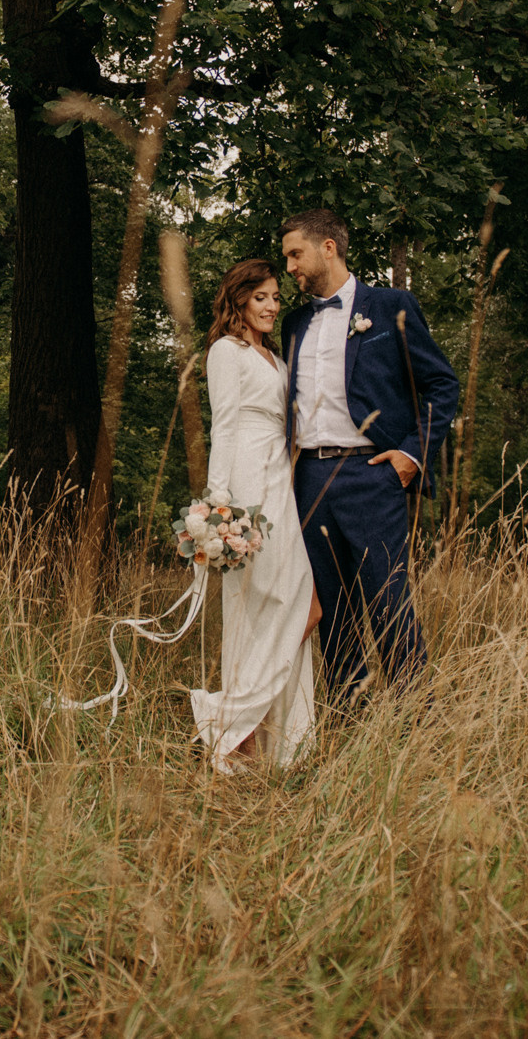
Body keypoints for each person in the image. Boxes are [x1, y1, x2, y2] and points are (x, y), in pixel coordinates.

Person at [278, 209, 460, 695]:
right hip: (310, 479)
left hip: (372, 473)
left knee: (387, 597)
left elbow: (441, 384)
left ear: (328, 248)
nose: (291, 266)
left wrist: (411, 455)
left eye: (296, 254)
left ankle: (414, 715)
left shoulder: (390, 305)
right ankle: (345, 714)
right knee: (330, 604)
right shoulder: (294, 323)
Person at [189, 258, 321, 771]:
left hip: (280, 478)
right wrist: (219, 506)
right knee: (265, 600)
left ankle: (272, 739)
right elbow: (223, 426)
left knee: (298, 603)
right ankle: (232, 728)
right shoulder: (227, 351)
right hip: (246, 480)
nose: (269, 307)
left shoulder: (274, 357)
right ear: (239, 299)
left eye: (274, 298)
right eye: (260, 297)